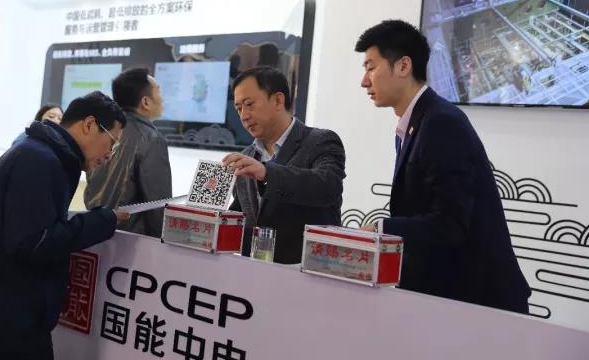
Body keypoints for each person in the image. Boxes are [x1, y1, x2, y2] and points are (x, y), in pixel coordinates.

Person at [355, 19, 530, 313]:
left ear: (403, 66)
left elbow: (450, 225)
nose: (364, 81)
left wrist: (380, 228)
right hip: (448, 298)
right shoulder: (416, 124)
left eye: (370, 67)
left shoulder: (441, 123)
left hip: (479, 305)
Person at [0, 91, 130, 360]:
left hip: (5, 316)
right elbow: (33, 241)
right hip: (6, 325)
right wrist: (101, 221)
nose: (109, 154)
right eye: (111, 142)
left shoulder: (42, 154)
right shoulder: (40, 160)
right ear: (89, 125)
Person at [222, 66, 346, 264]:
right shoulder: (246, 156)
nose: (243, 116)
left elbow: (327, 186)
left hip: (307, 269)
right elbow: (243, 216)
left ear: (278, 100)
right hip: (254, 271)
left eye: (249, 104)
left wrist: (267, 173)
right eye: (238, 108)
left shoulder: (320, 141)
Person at [84, 68, 171, 237]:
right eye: (159, 91)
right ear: (146, 102)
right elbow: (158, 205)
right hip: (132, 242)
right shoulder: (151, 138)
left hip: (93, 232)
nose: (162, 98)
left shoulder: (101, 131)